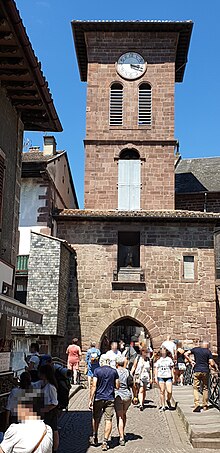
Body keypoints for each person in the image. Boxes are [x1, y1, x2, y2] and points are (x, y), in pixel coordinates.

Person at [89, 354, 119, 451]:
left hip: (98, 397)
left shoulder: (97, 371)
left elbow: (94, 385)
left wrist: (90, 399)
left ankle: (95, 436)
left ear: (101, 361)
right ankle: (105, 442)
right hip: (110, 398)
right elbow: (117, 386)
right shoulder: (114, 371)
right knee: (108, 419)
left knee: (95, 417)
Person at [184, 340, 218, 412]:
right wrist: (215, 368)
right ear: (207, 345)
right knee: (205, 388)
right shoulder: (208, 351)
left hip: (197, 370)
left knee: (196, 388)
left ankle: (197, 404)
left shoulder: (195, 349)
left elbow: (186, 354)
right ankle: (205, 405)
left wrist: (190, 361)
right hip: (205, 371)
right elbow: (211, 363)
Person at [34, 364, 59, 451]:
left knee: (53, 430)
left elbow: (55, 403)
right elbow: (31, 385)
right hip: (43, 410)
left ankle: (54, 449)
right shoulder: (41, 383)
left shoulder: (51, 387)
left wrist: (45, 409)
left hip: (50, 411)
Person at [115, 356, 132, 446]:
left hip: (118, 396)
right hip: (127, 396)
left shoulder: (115, 372)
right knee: (123, 414)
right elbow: (132, 383)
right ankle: (122, 431)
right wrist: (135, 396)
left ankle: (121, 437)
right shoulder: (128, 371)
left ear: (116, 363)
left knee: (120, 417)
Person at [154, 347, 174, 412]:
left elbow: (172, 368)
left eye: (164, 351)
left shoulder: (169, 359)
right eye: (162, 351)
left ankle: (168, 400)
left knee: (169, 391)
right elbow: (156, 368)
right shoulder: (158, 359)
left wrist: (173, 375)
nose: (163, 352)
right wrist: (155, 377)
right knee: (162, 391)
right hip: (161, 376)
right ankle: (163, 406)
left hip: (168, 376)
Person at [131, 346, 151, 410]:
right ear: (142, 352)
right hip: (138, 376)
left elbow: (150, 369)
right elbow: (134, 366)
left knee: (144, 390)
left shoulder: (148, 359)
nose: (146, 353)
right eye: (145, 352)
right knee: (141, 389)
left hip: (146, 376)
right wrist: (130, 374)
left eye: (147, 352)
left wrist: (151, 377)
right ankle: (141, 404)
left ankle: (142, 401)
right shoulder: (138, 358)